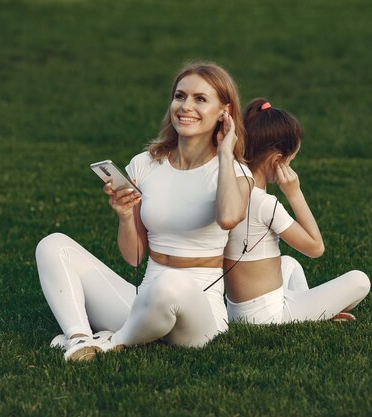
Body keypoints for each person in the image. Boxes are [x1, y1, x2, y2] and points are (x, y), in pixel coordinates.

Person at [35, 62, 252, 361]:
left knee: (171, 283)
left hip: (198, 313)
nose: (186, 106)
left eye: (200, 99)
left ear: (223, 112)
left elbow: (228, 217)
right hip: (142, 301)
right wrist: (125, 216)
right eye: (180, 96)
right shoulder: (145, 164)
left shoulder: (234, 172)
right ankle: (79, 338)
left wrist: (226, 152)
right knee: (52, 245)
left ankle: (111, 342)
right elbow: (135, 257)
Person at [223, 98, 370, 325]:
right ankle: (315, 315)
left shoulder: (231, 186)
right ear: (277, 160)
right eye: (290, 161)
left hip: (237, 310)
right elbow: (315, 248)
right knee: (360, 280)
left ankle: (312, 310)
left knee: (290, 263)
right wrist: (294, 193)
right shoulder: (265, 203)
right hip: (266, 317)